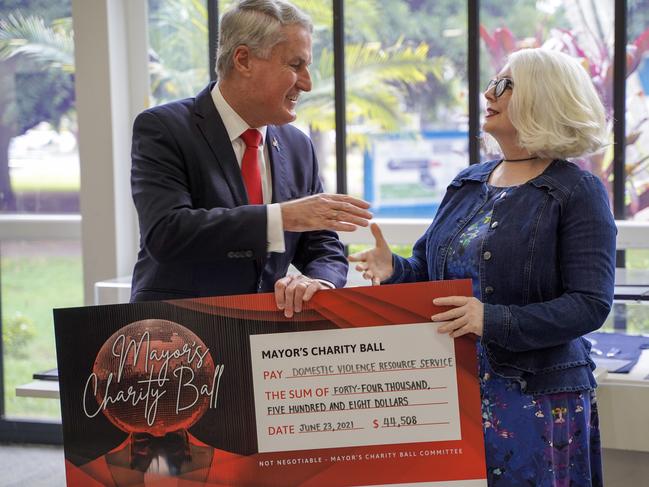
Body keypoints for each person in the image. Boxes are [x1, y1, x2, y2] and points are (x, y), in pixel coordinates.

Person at [350, 48, 615, 486]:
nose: (488, 93)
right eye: (493, 82)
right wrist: (393, 268)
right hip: (449, 388)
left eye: (505, 85)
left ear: (541, 98)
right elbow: (428, 272)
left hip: (535, 398)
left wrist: (491, 319)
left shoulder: (578, 191)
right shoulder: (468, 182)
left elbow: (589, 305)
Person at [130, 0, 371, 317]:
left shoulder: (298, 146)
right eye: (295, 65)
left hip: (267, 337)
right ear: (243, 60)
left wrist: (319, 282)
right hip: (178, 337)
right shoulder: (164, 128)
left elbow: (322, 245)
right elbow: (167, 232)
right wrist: (281, 217)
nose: (308, 83)